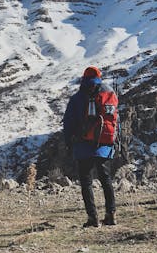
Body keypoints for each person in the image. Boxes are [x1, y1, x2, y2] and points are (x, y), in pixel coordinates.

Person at [63, 66, 118, 227]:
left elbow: (68, 122)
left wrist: (69, 142)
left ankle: (93, 218)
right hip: (104, 144)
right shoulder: (108, 94)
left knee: (86, 182)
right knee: (106, 179)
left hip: (83, 145)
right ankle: (111, 215)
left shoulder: (78, 98)